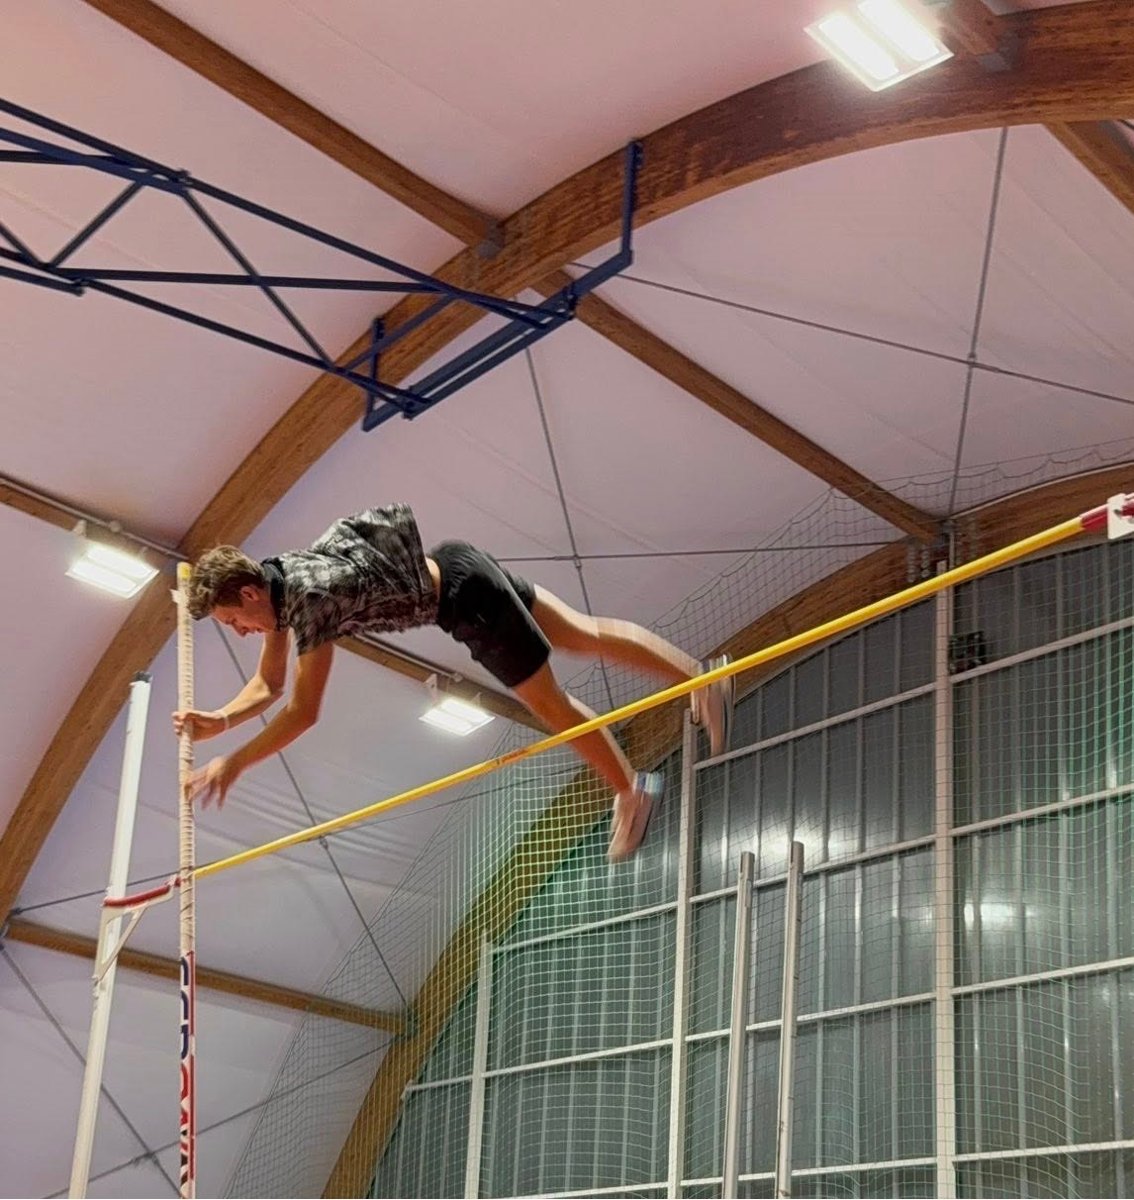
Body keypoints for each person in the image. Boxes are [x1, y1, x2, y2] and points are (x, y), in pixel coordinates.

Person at [173, 503, 734, 862]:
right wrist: (220, 720)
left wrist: (233, 762)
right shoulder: (280, 579)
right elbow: (268, 684)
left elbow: (301, 710)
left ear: (249, 595)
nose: (243, 632)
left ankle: (630, 791)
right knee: (581, 635)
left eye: (235, 623)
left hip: (467, 602)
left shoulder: (309, 598)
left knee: (550, 704)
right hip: (459, 564)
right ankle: (702, 680)